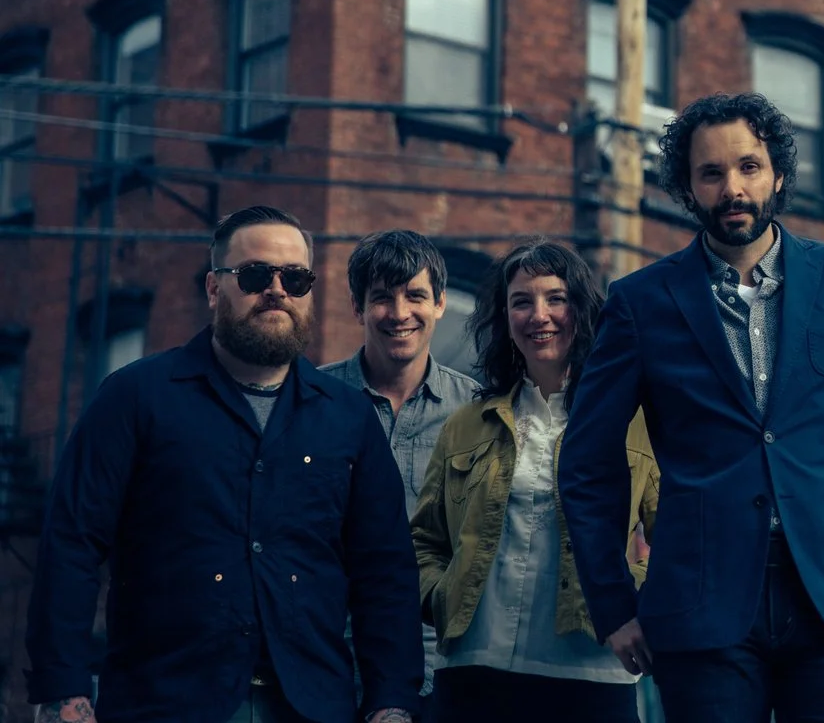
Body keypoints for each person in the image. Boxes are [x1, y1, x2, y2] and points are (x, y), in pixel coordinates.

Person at [559, 91, 824, 723]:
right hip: (701, 607)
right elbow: (588, 464)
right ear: (687, 188)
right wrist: (613, 604)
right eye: (711, 173)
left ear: (777, 173)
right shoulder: (641, 303)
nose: (733, 188)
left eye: (748, 167)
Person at [26, 206, 423, 723]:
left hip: (311, 705)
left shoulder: (347, 417)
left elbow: (385, 571)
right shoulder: (135, 397)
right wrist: (63, 690)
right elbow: (70, 544)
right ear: (214, 288)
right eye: (256, 274)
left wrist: (391, 701)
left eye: (295, 278)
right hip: (167, 701)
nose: (277, 289)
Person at [409, 238, 658, 723]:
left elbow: (682, 533)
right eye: (521, 301)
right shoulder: (467, 424)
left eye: (555, 298)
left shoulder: (635, 422)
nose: (538, 315)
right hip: (475, 666)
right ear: (505, 319)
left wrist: (634, 605)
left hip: (592, 670)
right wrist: (442, 596)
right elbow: (424, 540)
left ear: (582, 311)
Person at [320, 229, 481, 717]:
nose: (399, 312)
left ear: (439, 304)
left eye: (415, 295)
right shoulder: (312, 403)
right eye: (381, 298)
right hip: (327, 665)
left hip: (447, 668)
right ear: (357, 306)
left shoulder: (476, 411)